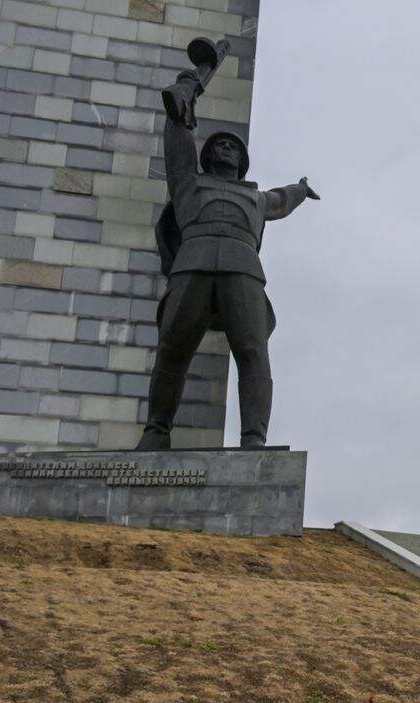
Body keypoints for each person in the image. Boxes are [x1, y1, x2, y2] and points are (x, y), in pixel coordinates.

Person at [136, 69, 319, 450]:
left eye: (232, 146)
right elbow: (179, 136)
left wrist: (301, 188)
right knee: (172, 348)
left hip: (243, 269)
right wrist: (186, 95)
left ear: (242, 161)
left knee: (252, 351)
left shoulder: (256, 197)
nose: (225, 148)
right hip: (193, 263)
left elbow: (284, 198)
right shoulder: (188, 184)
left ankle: (254, 439)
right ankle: (156, 431)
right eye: (218, 145)